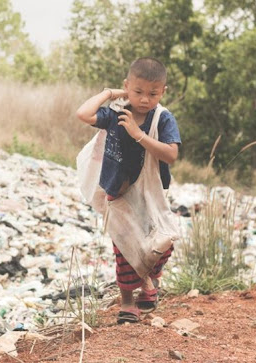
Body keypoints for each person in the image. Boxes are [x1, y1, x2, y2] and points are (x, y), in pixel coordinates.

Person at [76, 57, 181, 323]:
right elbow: (84, 114)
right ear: (127, 86)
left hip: (151, 192)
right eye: (137, 92)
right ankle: (127, 303)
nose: (145, 99)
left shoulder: (163, 118)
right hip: (118, 191)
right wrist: (109, 94)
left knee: (162, 241)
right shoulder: (116, 112)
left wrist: (139, 135)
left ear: (163, 92)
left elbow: (171, 154)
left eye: (153, 94)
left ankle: (150, 280)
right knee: (123, 249)